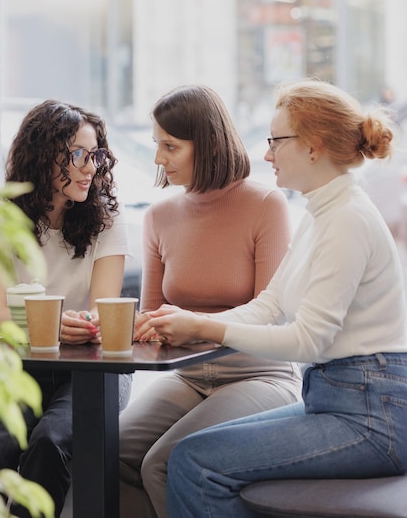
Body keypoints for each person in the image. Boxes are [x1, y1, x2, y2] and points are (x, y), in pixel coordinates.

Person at [146, 79, 407, 518]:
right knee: (186, 454)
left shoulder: (347, 220)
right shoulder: (320, 214)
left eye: (275, 142)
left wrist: (203, 326)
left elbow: (308, 341)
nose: (266, 154)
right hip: (338, 399)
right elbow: (268, 306)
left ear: (312, 147)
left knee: (194, 462)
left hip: (371, 415)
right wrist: (187, 318)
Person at [119, 85, 302, 517]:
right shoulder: (158, 216)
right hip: (187, 377)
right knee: (109, 449)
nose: (159, 159)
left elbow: (269, 316)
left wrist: (189, 322)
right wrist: (129, 325)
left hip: (259, 376)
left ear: (208, 144)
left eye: (171, 146)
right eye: (156, 145)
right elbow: (153, 318)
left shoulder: (266, 204)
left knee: (162, 464)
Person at [0, 100, 132, 518]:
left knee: (50, 440)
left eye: (96, 155)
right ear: (44, 155)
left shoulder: (107, 220)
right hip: (17, 359)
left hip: (91, 367)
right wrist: (47, 327)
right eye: (79, 155)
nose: (91, 168)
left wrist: (62, 325)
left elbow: (102, 315)